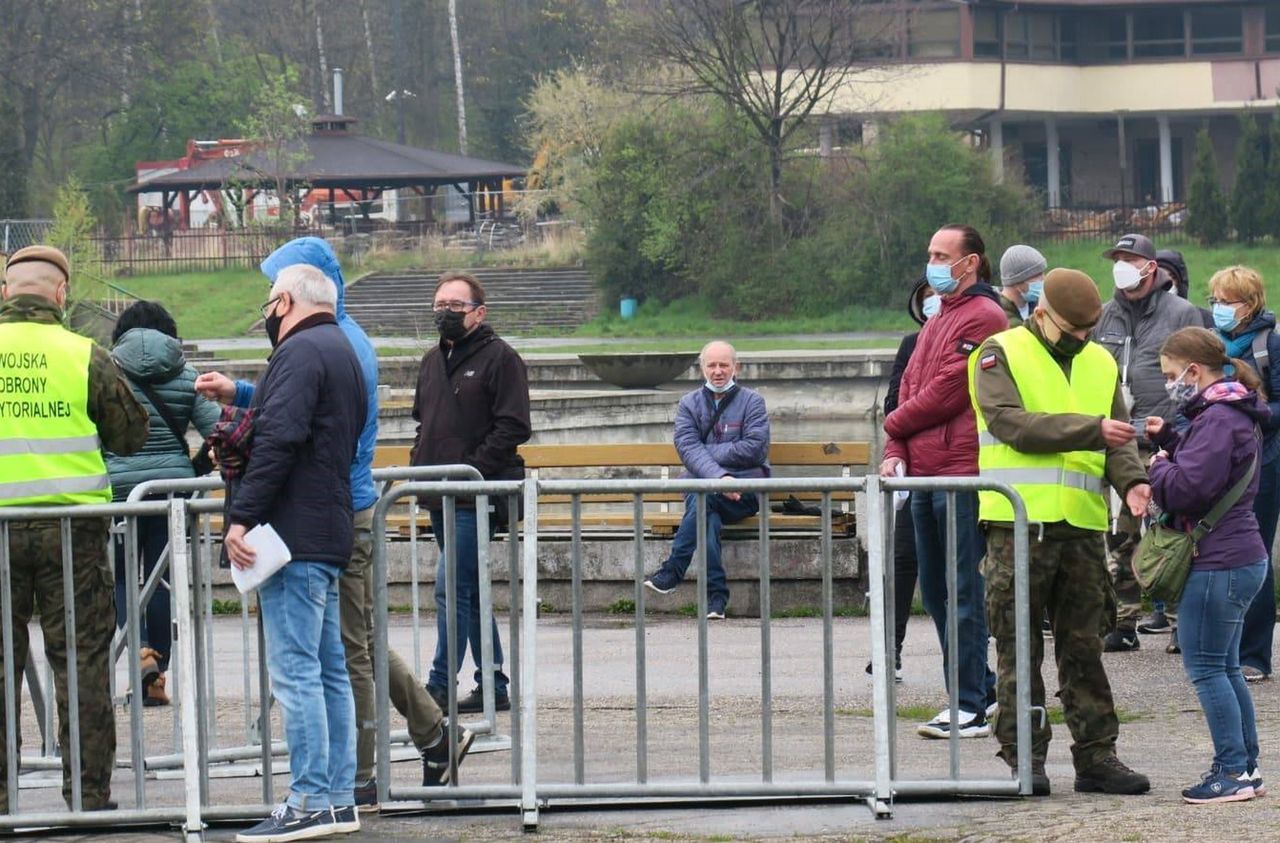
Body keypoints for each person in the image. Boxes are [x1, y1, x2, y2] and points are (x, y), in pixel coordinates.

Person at [254, 238, 469, 808]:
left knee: (348, 652)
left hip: (336, 509)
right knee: (359, 642)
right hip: (344, 507)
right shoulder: (340, 339)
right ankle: (432, 736)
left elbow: (305, 423)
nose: (269, 303)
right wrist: (248, 393)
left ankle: (362, 774)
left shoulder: (328, 344)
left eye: (277, 289)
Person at [971, 267, 1152, 797]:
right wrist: (1090, 428)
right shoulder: (997, 352)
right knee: (1017, 647)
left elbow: (1117, 439)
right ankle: (1025, 758)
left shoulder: (1098, 360)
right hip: (1017, 524)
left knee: (1084, 648)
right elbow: (1012, 425)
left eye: (1088, 330)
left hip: (1079, 527)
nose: (1083, 339)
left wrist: (1134, 482)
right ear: (1041, 312)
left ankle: (1097, 758)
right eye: (1073, 331)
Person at [0, 245, 149, 811]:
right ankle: (88, 794)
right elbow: (131, 435)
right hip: (73, 533)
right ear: (61, 294)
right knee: (82, 660)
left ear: (6, 292)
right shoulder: (83, 353)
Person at [221, 264, 366, 841]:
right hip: (327, 527)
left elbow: (279, 437)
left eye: (269, 299)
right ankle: (336, 799)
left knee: (297, 670)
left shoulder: (300, 352)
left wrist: (242, 516)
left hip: (291, 534)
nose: (266, 310)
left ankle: (306, 799)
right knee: (329, 670)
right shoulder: (343, 351)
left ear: (284, 299)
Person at [880, 223, 1004, 740]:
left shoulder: (985, 316)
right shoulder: (939, 318)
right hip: (925, 475)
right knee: (934, 592)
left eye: (940, 254)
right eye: (929, 252)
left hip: (959, 474)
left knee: (962, 592)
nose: (930, 263)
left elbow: (948, 392)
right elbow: (907, 388)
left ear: (969, 262)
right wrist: (894, 449)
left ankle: (970, 703)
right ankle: (982, 688)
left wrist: (891, 427)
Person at [1147, 327, 1269, 803]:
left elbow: (1188, 490)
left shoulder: (1218, 418)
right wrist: (1175, 439)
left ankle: (1231, 770)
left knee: (1207, 669)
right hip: (1240, 556)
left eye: (1172, 374)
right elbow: (1213, 469)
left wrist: (1158, 466)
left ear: (1194, 371)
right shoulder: (1231, 412)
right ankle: (1246, 765)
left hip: (1219, 559)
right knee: (1227, 667)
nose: (1169, 383)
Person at [412, 270, 531, 714]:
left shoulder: (501, 358)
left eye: (455, 307)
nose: (445, 313)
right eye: (439, 305)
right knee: (471, 589)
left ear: (478, 312)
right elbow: (424, 422)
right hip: (437, 493)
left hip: (476, 496)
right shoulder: (429, 361)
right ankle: (494, 683)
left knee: (451, 587)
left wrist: (473, 470)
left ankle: (440, 683)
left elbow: (514, 425)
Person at [105, 300, 221, 707]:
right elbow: (220, 431)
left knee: (121, 579)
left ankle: (139, 656)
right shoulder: (185, 374)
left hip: (118, 493)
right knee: (161, 580)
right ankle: (158, 678)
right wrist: (191, 469)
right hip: (170, 491)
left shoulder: (103, 371)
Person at [1092, 233, 1203, 652]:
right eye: (1115, 258)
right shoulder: (1104, 316)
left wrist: (1183, 432)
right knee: (1119, 536)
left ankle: (1179, 622)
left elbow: (1198, 374)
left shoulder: (1181, 313)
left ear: (1150, 267)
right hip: (1113, 436)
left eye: (1128, 258)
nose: (1120, 266)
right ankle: (1122, 622)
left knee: (1168, 529)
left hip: (1162, 437)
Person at [644, 341, 771, 618]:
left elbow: (755, 448)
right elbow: (687, 447)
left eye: (724, 365)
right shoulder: (689, 404)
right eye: (711, 365)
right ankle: (716, 599)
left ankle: (673, 570)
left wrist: (707, 459)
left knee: (704, 501)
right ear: (702, 368)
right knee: (707, 512)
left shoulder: (753, 402)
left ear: (736, 367)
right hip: (706, 490)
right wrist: (719, 478)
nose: (717, 371)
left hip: (744, 491)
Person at [1207, 266, 1280, 684]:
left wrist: (1245, 412)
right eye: (1214, 300)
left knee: (1256, 553)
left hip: (1262, 461)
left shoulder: (1271, 343)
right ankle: (1221, 649)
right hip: (1217, 460)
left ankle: (1254, 653)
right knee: (1220, 554)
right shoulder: (1211, 345)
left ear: (1249, 304)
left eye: (1226, 301)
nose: (1217, 308)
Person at [865, 280, 934, 681]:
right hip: (917, 469)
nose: (933, 304)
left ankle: (966, 661)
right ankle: (888, 649)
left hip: (956, 467)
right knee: (904, 559)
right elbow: (893, 404)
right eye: (925, 299)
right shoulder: (911, 344)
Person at [997, 245, 1046, 328]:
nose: (1044, 279)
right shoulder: (997, 318)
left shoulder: (1040, 308)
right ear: (1016, 281)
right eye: (1038, 275)